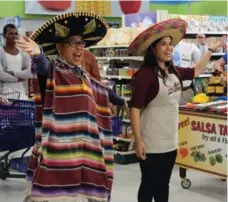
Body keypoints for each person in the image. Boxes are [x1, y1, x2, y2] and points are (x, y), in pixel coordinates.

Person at [16, 12, 115, 202]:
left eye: (81, 43)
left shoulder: (82, 74)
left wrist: (118, 99)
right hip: (58, 152)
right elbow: (44, 68)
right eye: (72, 43)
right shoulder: (56, 71)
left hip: (83, 149)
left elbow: (99, 93)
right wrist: (39, 56)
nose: (78, 47)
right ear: (60, 47)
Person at [128, 18, 226, 202]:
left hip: (170, 141)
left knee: (163, 184)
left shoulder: (173, 71)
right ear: (153, 49)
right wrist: (138, 140)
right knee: (149, 184)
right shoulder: (145, 75)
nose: (168, 48)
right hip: (151, 142)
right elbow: (134, 109)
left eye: (170, 44)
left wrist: (211, 50)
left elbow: (196, 71)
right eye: (163, 44)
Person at [172, 34, 207, 105]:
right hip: (167, 92)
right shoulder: (162, 48)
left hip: (185, 91)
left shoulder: (189, 47)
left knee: (187, 115)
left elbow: (201, 62)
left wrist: (202, 44)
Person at [0, 24, 32, 100]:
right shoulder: (0, 52)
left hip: (22, 94)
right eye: (10, 33)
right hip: (5, 94)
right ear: (4, 35)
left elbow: (30, 72)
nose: (14, 36)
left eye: (16, 33)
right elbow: (1, 74)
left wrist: (13, 73)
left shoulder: (23, 53)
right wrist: (19, 78)